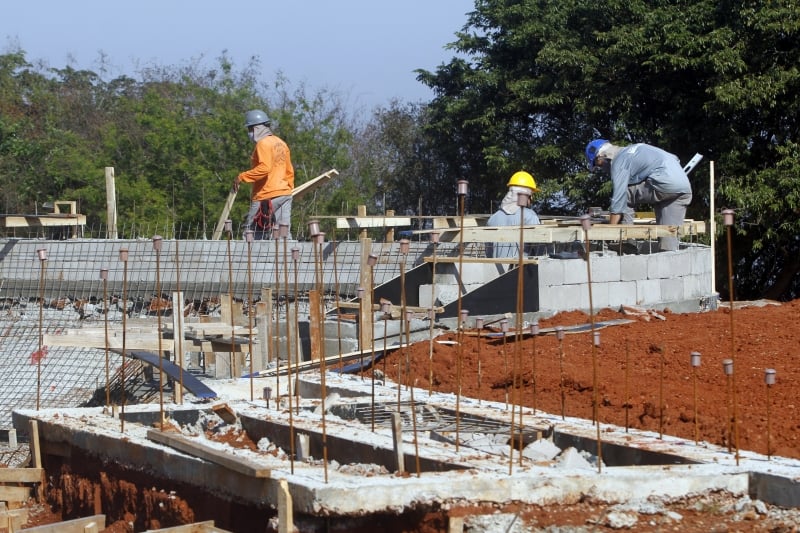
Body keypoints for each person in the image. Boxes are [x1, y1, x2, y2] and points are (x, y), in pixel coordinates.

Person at [585, 139, 692, 251]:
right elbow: (675, 158)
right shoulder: (634, 150)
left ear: (601, 156)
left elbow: (619, 199)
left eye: (599, 165)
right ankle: (669, 262)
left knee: (625, 193)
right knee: (669, 235)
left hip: (663, 184)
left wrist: (610, 233)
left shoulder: (619, 160)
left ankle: (627, 239)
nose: (602, 169)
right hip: (683, 188)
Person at [234, 109, 295, 239]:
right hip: (284, 194)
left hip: (265, 196)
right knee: (283, 233)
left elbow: (264, 168)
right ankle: (287, 259)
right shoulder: (281, 143)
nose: (249, 133)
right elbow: (289, 170)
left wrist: (242, 177)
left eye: (250, 129)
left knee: (251, 232)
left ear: (257, 128)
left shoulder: (263, 144)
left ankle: (250, 259)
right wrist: (288, 189)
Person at [486, 171, 541, 259]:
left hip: (495, 270)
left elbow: (488, 253)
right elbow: (539, 250)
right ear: (526, 196)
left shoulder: (492, 218)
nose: (531, 200)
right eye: (531, 196)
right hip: (522, 270)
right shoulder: (530, 216)